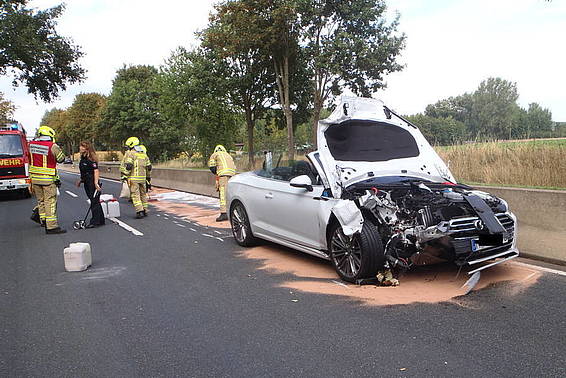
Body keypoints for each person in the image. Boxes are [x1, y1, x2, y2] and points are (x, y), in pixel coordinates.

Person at [28, 125, 66, 234]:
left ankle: (43, 220)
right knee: (50, 202)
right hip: (47, 179)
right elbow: (61, 159)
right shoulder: (52, 146)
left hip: (35, 179)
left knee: (41, 201)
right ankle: (51, 226)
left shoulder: (31, 145)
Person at [75, 141, 105, 228]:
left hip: (92, 182)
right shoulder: (83, 158)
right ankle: (101, 220)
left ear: (87, 148)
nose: (80, 148)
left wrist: (96, 183)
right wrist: (81, 180)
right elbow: (84, 171)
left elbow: (96, 171)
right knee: (94, 201)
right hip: (87, 182)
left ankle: (95, 221)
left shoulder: (91, 159)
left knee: (94, 201)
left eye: (82, 146)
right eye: (80, 146)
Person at [121, 137, 152, 219]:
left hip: (134, 179)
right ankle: (145, 210)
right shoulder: (144, 154)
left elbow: (129, 166)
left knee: (135, 195)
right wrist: (148, 178)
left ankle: (139, 211)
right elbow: (149, 167)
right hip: (143, 179)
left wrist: (125, 175)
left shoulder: (132, 153)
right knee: (143, 195)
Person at [208, 145, 236, 222]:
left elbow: (212, 168)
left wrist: (217, 173)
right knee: (230, 194)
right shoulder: (228, 155)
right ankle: (232, 212)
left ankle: (224, 213)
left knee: (223, 193)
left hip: (223, 175)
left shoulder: (214, 155)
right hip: (232, 175)